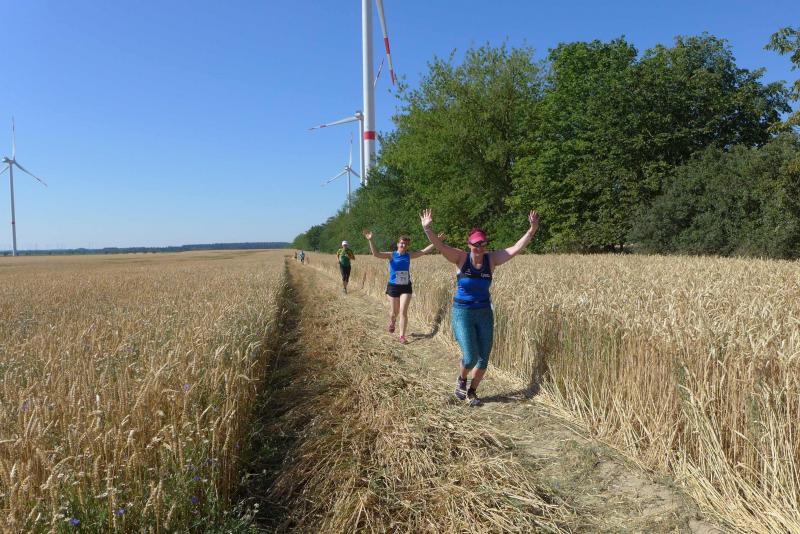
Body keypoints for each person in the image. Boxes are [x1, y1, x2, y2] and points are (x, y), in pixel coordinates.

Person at [419, 208, 540, 406]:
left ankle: (472, 391)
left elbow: (515, 248)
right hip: (463, 313)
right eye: (476, 244)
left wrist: (532, 229)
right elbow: (440, 246)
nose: (480, 247)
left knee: (483, 359)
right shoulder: (460, 258)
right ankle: (461, 379)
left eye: (483, 243)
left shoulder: (491, 259)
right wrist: (427, 229)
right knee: (470, 357)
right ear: (469, 245)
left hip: (484, 313)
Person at [362, 230, 437, 344]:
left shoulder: (408, 255)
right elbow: (376, 254)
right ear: (398, 244)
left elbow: (424, 251)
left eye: (405, 244)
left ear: (407, 246)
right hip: (393, 287)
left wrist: (437, 241)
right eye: (401, 243)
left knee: (403, 311)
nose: (403, 245)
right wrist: (370, 240)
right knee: (394, 313)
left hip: (406, 286)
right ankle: (392, 322)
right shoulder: (391, 255)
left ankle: (402, 336)